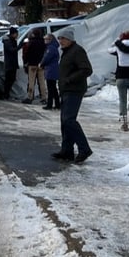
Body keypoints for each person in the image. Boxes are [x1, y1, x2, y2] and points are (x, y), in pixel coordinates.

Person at [51, 29, 93, 164]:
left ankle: (84, 149)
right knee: (65, 122)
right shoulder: (67, 52)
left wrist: (70, 79)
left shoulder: (77, 51)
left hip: (74, 90)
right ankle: (67, 150)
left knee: (69, 120)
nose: (61, 41)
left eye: (63, 38)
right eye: (59, 38)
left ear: (70, 39)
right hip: (66, 90)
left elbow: (87, 69)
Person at [21, 28, 47, 104]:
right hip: (41, 64)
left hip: (32, 64)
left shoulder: (31, 42)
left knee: (31, 81)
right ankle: (44, 97)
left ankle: (30, 97)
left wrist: (26, 62)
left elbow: (26, 53)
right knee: (42, 81)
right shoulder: (43, 42)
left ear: (33, 34)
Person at [39, 33, 61, 110]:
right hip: (53, 69)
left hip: (50, 70)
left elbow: (46, 58)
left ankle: (49, 104)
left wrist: (41, 64)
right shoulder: (53, 47)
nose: (44, 40)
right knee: (53, 88)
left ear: (50, 40)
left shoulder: (50, 48)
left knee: (50, 88)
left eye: (46, 39)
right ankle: (57, 104)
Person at [1, 27, 20, 100]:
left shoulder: (13, 40)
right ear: (13, 34)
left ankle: (7, 94)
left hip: (13, 63)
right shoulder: (7, 41)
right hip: (9, 63)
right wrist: (20, 46)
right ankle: (6, 95)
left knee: (12, 79)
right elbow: (11, 50)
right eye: (16, 34)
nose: (17, 35)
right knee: (9, 80)